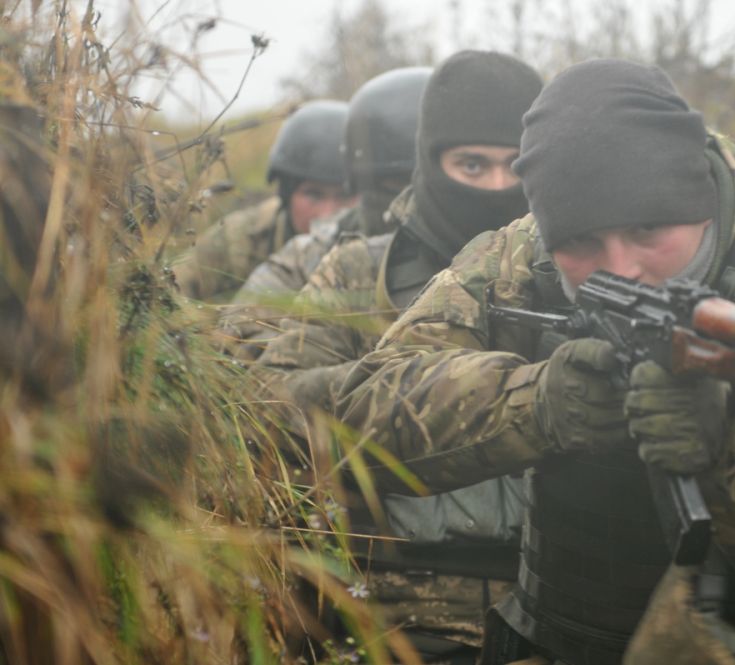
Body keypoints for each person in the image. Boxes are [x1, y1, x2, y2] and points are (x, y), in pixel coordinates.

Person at [330, 60, 735, 665]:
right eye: (583, 242)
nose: (621, 268)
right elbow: (361, 414)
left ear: (700, 202)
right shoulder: (523, 257)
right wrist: (538, 402)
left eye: (648, 228)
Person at [258, 51, 544, 664]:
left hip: (548, 617)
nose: (498, 187)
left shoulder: (579, 269)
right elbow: (272, 404)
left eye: (516, 164)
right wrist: (423, 392)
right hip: (388, 619)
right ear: (430, 162)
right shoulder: (359, 273)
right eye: (472, 164)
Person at [218, 68, 431, 354]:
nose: (326, 211)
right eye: (395, 185)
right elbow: (242, 341)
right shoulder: (316, 251)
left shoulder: (489, 253)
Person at [172, 100, 355, 301]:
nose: (327, 213)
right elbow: (170, 294)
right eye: (314, 195)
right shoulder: (239, 239)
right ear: (286, 194)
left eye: (345, 195)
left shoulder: (377, 248)